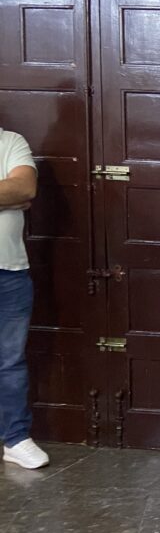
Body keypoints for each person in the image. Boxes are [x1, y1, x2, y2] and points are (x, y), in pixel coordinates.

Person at [0, 128, 48, 470]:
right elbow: (13, 194)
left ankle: (15, 439)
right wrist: (8, 198)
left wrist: (17, 194)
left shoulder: (11, 142)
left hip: (9, 272)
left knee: (10, 362)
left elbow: (25, 188)